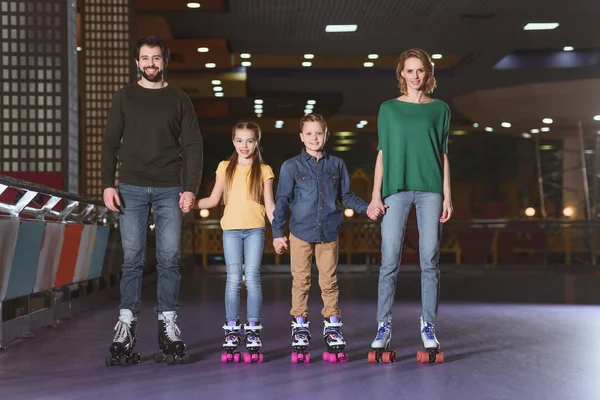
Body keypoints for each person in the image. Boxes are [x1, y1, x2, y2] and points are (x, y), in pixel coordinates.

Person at [101, 36, 203, 366]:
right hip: (130, 186)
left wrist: (189, 188)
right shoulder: (125, 96)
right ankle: (126, 325)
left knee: (169, 258)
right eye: (144, 58)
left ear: (165, 61)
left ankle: (168, 325)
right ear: (137, 62)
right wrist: (107, 185)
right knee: (132, 259)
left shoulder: (179, 99)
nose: (150, 63)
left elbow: (192, 147)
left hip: (169, 187)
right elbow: (109, 144)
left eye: (156, 58)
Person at [367, 48, 453, 360]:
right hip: (395, 189)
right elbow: (382, 153)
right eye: (409, 70)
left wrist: (447, 195)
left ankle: (428, 325)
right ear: (401, 74)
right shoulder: (388, 109)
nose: (415, 76)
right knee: (389, 258)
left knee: (429, 258)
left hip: (430, 189)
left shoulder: (440, 109)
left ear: (428, 74)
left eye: (420, 70)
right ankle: (382, 325)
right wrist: (376, 195)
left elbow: (442, 153)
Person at [272, 113, 373, 363]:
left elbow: (346, 196)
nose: (314, 138)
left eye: (319, 133)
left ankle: (333, 327)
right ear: (301, 137)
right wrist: (277, 232)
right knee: (301, 282)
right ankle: (300, 328)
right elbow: (282, 201)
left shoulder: (337, 165)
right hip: (299, 233)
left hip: (328, 232)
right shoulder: (291, 166)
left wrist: (367, 207)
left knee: (329, 282)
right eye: (309, 133)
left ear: (327, 135)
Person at [188, 121, 274, 364]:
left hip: (255, 229)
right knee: (234, 279)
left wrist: (278, 231)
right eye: (239, 140)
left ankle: (254, 330)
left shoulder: (265, 170)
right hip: (231, 230)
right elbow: (213, 199)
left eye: (249, 140)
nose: (244, 146)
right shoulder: (225, 167)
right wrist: (189, 203)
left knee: (254, 278)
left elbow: (270, 206)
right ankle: (232, 330)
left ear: (257, 141)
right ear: (233, 141)